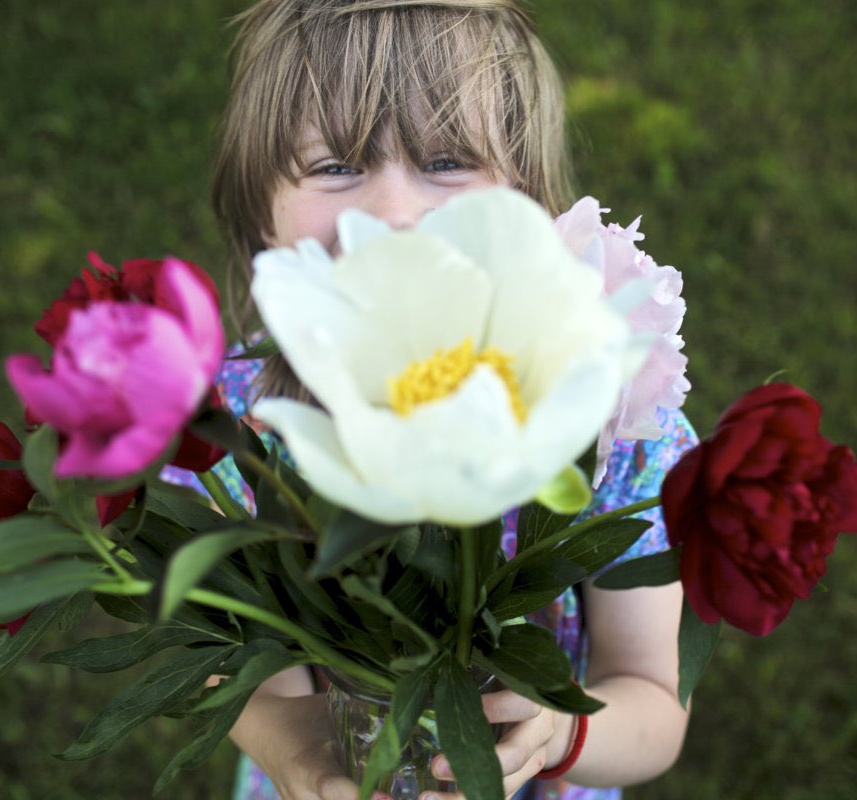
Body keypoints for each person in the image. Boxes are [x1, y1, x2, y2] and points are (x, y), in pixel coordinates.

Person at [164, 1, 696, 798]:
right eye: (335, 166)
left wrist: (560, 734)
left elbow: (652, 698)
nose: (394, 215)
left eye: (447, 161)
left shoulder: (609, 424)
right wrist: (290, 745)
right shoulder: (234, 431)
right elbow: (234, 659)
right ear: (262, 215)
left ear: (528, 207)